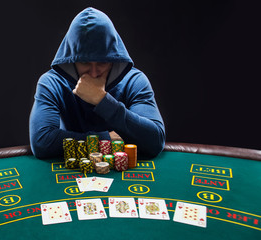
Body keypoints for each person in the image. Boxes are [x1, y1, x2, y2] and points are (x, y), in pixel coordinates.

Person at [29, 7, 165, 159]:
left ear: (114, 60)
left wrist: (102, 100)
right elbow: (42, 142)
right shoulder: (51, 82)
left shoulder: (135, 81)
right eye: (85, 62)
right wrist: (105, 138)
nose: (94, 72)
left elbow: (155, 141)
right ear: (72, 60)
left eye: (102, 62)